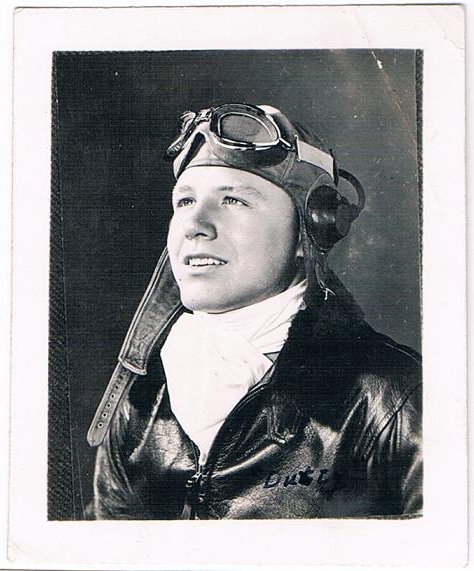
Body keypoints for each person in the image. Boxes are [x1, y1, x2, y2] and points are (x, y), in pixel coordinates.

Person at [87, 103, 422, 520]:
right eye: (185, 201)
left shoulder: (394, 400)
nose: (195, 225)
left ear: (307, 233)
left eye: (233, 200)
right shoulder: (142, 399)